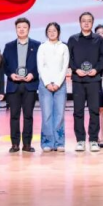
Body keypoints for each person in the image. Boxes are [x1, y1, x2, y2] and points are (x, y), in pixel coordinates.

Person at [68, 12, 103, 153]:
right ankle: (80, 140)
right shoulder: (73, 39)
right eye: (83, 21)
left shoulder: (98, 39)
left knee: (94, 111)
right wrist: (76, 69)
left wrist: (96, 70)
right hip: (78, 80)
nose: (86, 23)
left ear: (92, 23)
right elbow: (69, 58)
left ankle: (93, 140)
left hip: (93, 80)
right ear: (80, 23)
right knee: (78, 111)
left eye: (89, 21)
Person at [3, 18, 41, 153]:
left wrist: (33, 74)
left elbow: (41, 64)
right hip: (14, 85)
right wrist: (10, 75)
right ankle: (14, 144)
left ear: (28, 29)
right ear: (16, 29)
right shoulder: (9, 46)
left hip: (30, 85)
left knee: (28, 115)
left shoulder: (37, 45)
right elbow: (4, 65)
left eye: (24, 27)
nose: (21, 29)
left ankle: (27, 144)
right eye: (19, 27)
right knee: (14, 115)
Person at [37, 22, 70, 153]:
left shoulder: (64, 47)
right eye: (49, 31)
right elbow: (41, 66)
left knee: (59, 114)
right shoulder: (42, 47)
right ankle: (47, 142)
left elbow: (64, 66)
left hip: (60, 85)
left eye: (54, 30)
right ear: (46, 32)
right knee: (47, 114)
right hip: (45, 85)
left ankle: (59, 142)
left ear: (58, 32)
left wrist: (57, 83)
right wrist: (47, 83)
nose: (52, 33)